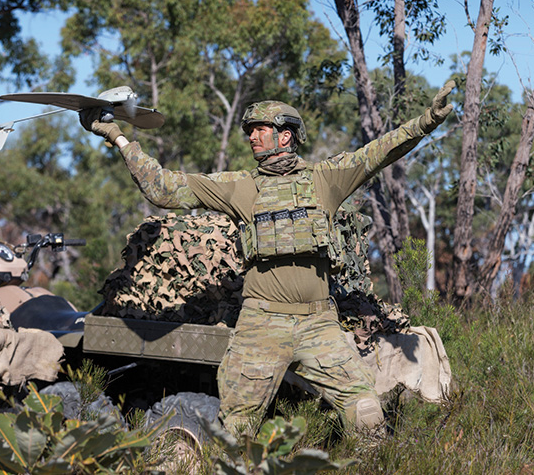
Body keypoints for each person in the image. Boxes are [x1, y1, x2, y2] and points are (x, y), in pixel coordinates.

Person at [79, 80, 455, 433]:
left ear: (285, 135)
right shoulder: (240, 186)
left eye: (260, 129)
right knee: (237, 429)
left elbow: (381, 151)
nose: (252, 136)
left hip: (319, 323)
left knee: (368, 416)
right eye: (248, 130)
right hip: (261, 324)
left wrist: (428, 120)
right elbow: (162, 189)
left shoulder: (326, 179)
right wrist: (117, 136)